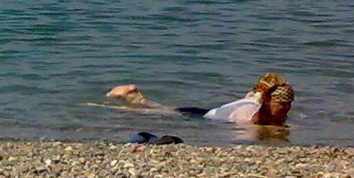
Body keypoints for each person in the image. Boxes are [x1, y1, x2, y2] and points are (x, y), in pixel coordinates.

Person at [107, 73, 295, 125]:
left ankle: (136, 99)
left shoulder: (271, 111)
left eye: (289, 104)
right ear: (268, 103)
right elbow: (253, 131)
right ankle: (134, 99)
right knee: (164, 112)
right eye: (283, 104)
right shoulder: (248, 117)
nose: (287, 109)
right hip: (206, 116)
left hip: (226, 108)